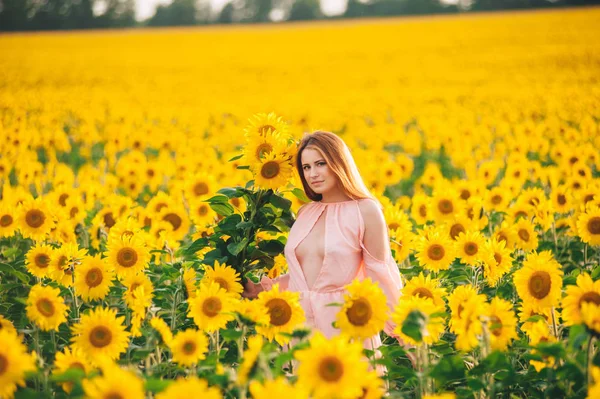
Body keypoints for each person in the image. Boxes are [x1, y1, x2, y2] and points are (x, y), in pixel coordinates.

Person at [243, 130, 405, 352]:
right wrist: (259, 290)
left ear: (338, 162)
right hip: (299, 330)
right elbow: (303, 279)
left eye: (320, 164)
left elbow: (381, 276)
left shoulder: (366, 210)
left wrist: (406, 337)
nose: (312, 174)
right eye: (306, 167)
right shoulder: (305, 212)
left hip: (345, 327)